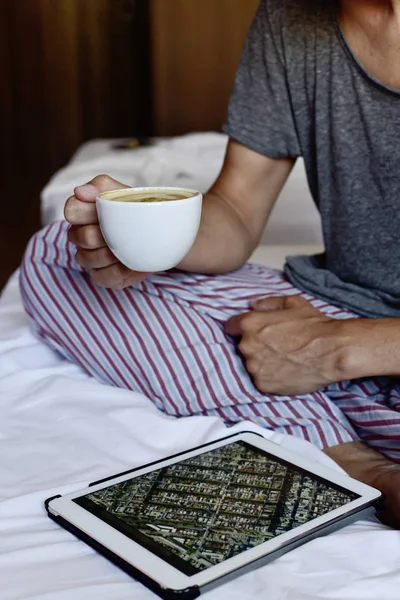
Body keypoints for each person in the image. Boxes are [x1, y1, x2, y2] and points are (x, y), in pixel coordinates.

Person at [20, 0, 400, 525]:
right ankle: (360, 454)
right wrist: (147, 231)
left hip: (349, 336)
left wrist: (345, 351)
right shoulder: (290, 17)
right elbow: (238, 210)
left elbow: (339, 345)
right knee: (59, 256)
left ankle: (327, 418)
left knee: (292, 357)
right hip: (331, 307)